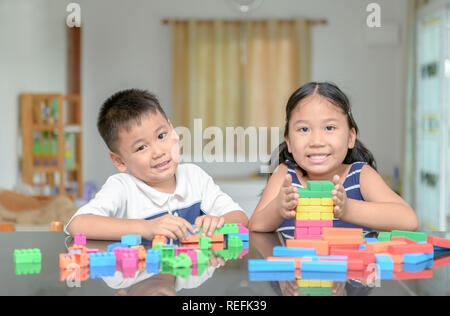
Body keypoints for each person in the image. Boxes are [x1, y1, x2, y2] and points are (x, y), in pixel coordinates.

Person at [65, 89, 248, 240]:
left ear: (173, 131)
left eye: (162, 136)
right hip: (140, 278)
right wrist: (146, 228)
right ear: (120, 161)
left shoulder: (194, 176)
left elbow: (240, 218)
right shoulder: (122, 187)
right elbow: (78, 224)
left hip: (191, 275)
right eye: (142, 147)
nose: (158, 152)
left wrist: (219, 221)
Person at [249, 82, 418, 239]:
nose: (316, 141)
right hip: (300, 269)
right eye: (304, 129)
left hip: (352, 270)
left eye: (329, 128)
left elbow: (408, 220)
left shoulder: (360, 175)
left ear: (350, 137)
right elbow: (255, 225)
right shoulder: (285, 175)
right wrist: (278, 208)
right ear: (289, 142)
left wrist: (347, 209)